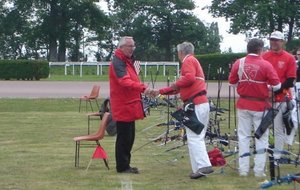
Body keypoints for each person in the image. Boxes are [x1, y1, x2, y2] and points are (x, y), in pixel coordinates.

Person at [149, 42, 213, 179]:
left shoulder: (188, 61)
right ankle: (199, 169)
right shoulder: (193, 61)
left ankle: (203, 166)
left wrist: (175, 84)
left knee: (194, 137)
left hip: (194, 104)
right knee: (197, 136)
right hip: (200, 103)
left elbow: (187, 79)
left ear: (180, 52)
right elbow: (180, 86)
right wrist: (160, 91)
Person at [229, 38, 281, 177]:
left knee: (243, 137)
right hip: (260, 106)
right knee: (261, 137)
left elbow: (232, 83)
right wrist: (266, 87)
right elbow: (277, 85)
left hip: (243, 104)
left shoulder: (239, 63)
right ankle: (259, 171)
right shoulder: (266, 64)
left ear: (248, 49)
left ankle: (243, 169)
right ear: (260, 49)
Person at [109, 36, 147, 174]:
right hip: (123, 105)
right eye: (130, 46)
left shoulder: (127, 61)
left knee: (129, 137)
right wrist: (142, 88)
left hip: (129, 104)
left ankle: (126, 164)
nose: (132, 49)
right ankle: (122, 166)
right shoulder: (118, 62)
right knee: (124, 138)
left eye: (133, 46)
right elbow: (124, 81)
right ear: (122, 47)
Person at [262, 31, 297, 159]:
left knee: (278, 129)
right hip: (265, 98)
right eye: (272, 39)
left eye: (277, 40)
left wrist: (274, 92)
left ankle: (277, 156)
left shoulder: (289, 58)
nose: (274, 42)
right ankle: (262, 154)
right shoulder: (264, 56)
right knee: (263, 128)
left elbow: (290, 80)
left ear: (282, 42)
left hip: (281, 97)